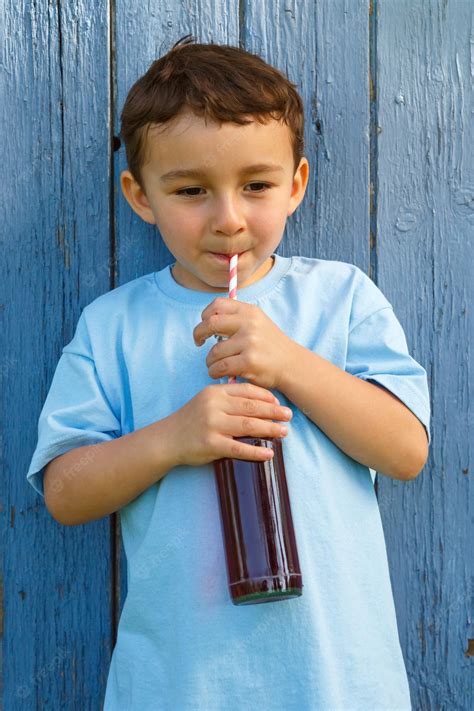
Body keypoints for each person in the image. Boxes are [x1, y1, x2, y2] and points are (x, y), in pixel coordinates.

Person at [26, 36, 431, 710]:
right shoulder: (114, 325)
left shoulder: (342, 298)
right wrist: (174, 437)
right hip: (181, 685)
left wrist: (290, 362)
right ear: (140, 195)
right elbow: (65, 491)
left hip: (335, 682)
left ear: (296, 184)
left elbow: (406, 448)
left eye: (257, 185)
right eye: (190, 190)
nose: (228, 219)